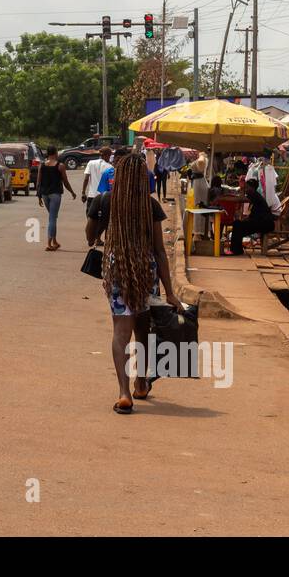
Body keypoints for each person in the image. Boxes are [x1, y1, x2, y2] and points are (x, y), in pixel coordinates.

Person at [88, 153, 178, 414]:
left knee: (120, 332)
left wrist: (101, 216)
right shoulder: (150, 206)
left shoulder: (105, 201)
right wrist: (170, 292)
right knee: (143, 330)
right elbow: (160, 251)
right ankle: (141, 382)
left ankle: (123, 393)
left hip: (117, 268)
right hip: (144, 270)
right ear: (142, 178)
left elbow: (90, 236)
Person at [36, 145, 76, 252]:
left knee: (52, 217)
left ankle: (54, 241)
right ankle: (49, 244)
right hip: (55, 194)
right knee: (52, 218)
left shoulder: (42, 165)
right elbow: (65, 182)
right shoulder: (60, 166)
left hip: (45, 194)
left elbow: (38, 182)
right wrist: (72, 192)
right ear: (55, 153)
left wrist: (39, 196)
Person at [229, 177, 275, 255]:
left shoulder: (254, 195)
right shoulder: (255, 195)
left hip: (265, 224)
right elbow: (255, 213)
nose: (245, 189)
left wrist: (221, 198)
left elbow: (240, 199)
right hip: (262, 222)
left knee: (237, 225)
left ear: (252, 188)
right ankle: (237, 250)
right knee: (238, 225)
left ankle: (236, 250)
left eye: (247, 187)